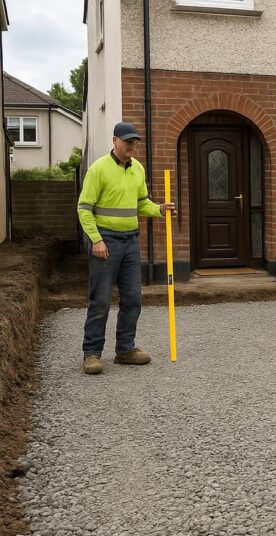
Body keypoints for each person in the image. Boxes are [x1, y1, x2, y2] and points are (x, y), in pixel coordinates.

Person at [78, 122, 175, 375]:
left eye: (134, 141)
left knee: (133, 299)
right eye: (126, 141)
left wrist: (159, 209)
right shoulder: (98, 169)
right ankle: (92, 354)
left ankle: (125, 350)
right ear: (114, 141)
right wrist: (96, 240)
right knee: (100, 300)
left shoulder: (138, 169)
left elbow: (141, 203)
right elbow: (84, 208)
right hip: (105, 242)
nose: (131, 145)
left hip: (131, 241)